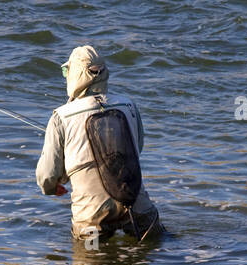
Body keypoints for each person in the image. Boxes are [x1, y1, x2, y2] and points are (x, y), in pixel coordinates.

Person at [36, 45, 161, 242]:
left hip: (91, 219)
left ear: (75, 75)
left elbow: (47, 177)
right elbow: (138, 147)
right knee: (152, 256)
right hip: (137, 206)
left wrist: (52, 187)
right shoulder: (129, 105)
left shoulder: (61, 117)